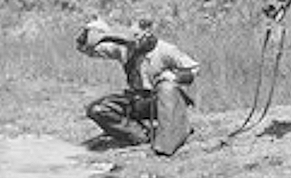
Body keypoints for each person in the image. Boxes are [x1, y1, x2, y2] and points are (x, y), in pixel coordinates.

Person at [75, 17, 200, 152]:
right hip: (136, 98)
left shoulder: (165, 49)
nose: (133, 39)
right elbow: (85, 49)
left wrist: (175, 77)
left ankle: (171, 135)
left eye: (136, 35)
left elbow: (194, 69)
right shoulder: (124, 49)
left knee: (167, 90)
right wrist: (90, 32)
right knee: (97, 109)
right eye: (130, 35)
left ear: (148, 32)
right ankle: (141, 135)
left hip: (160, 99)